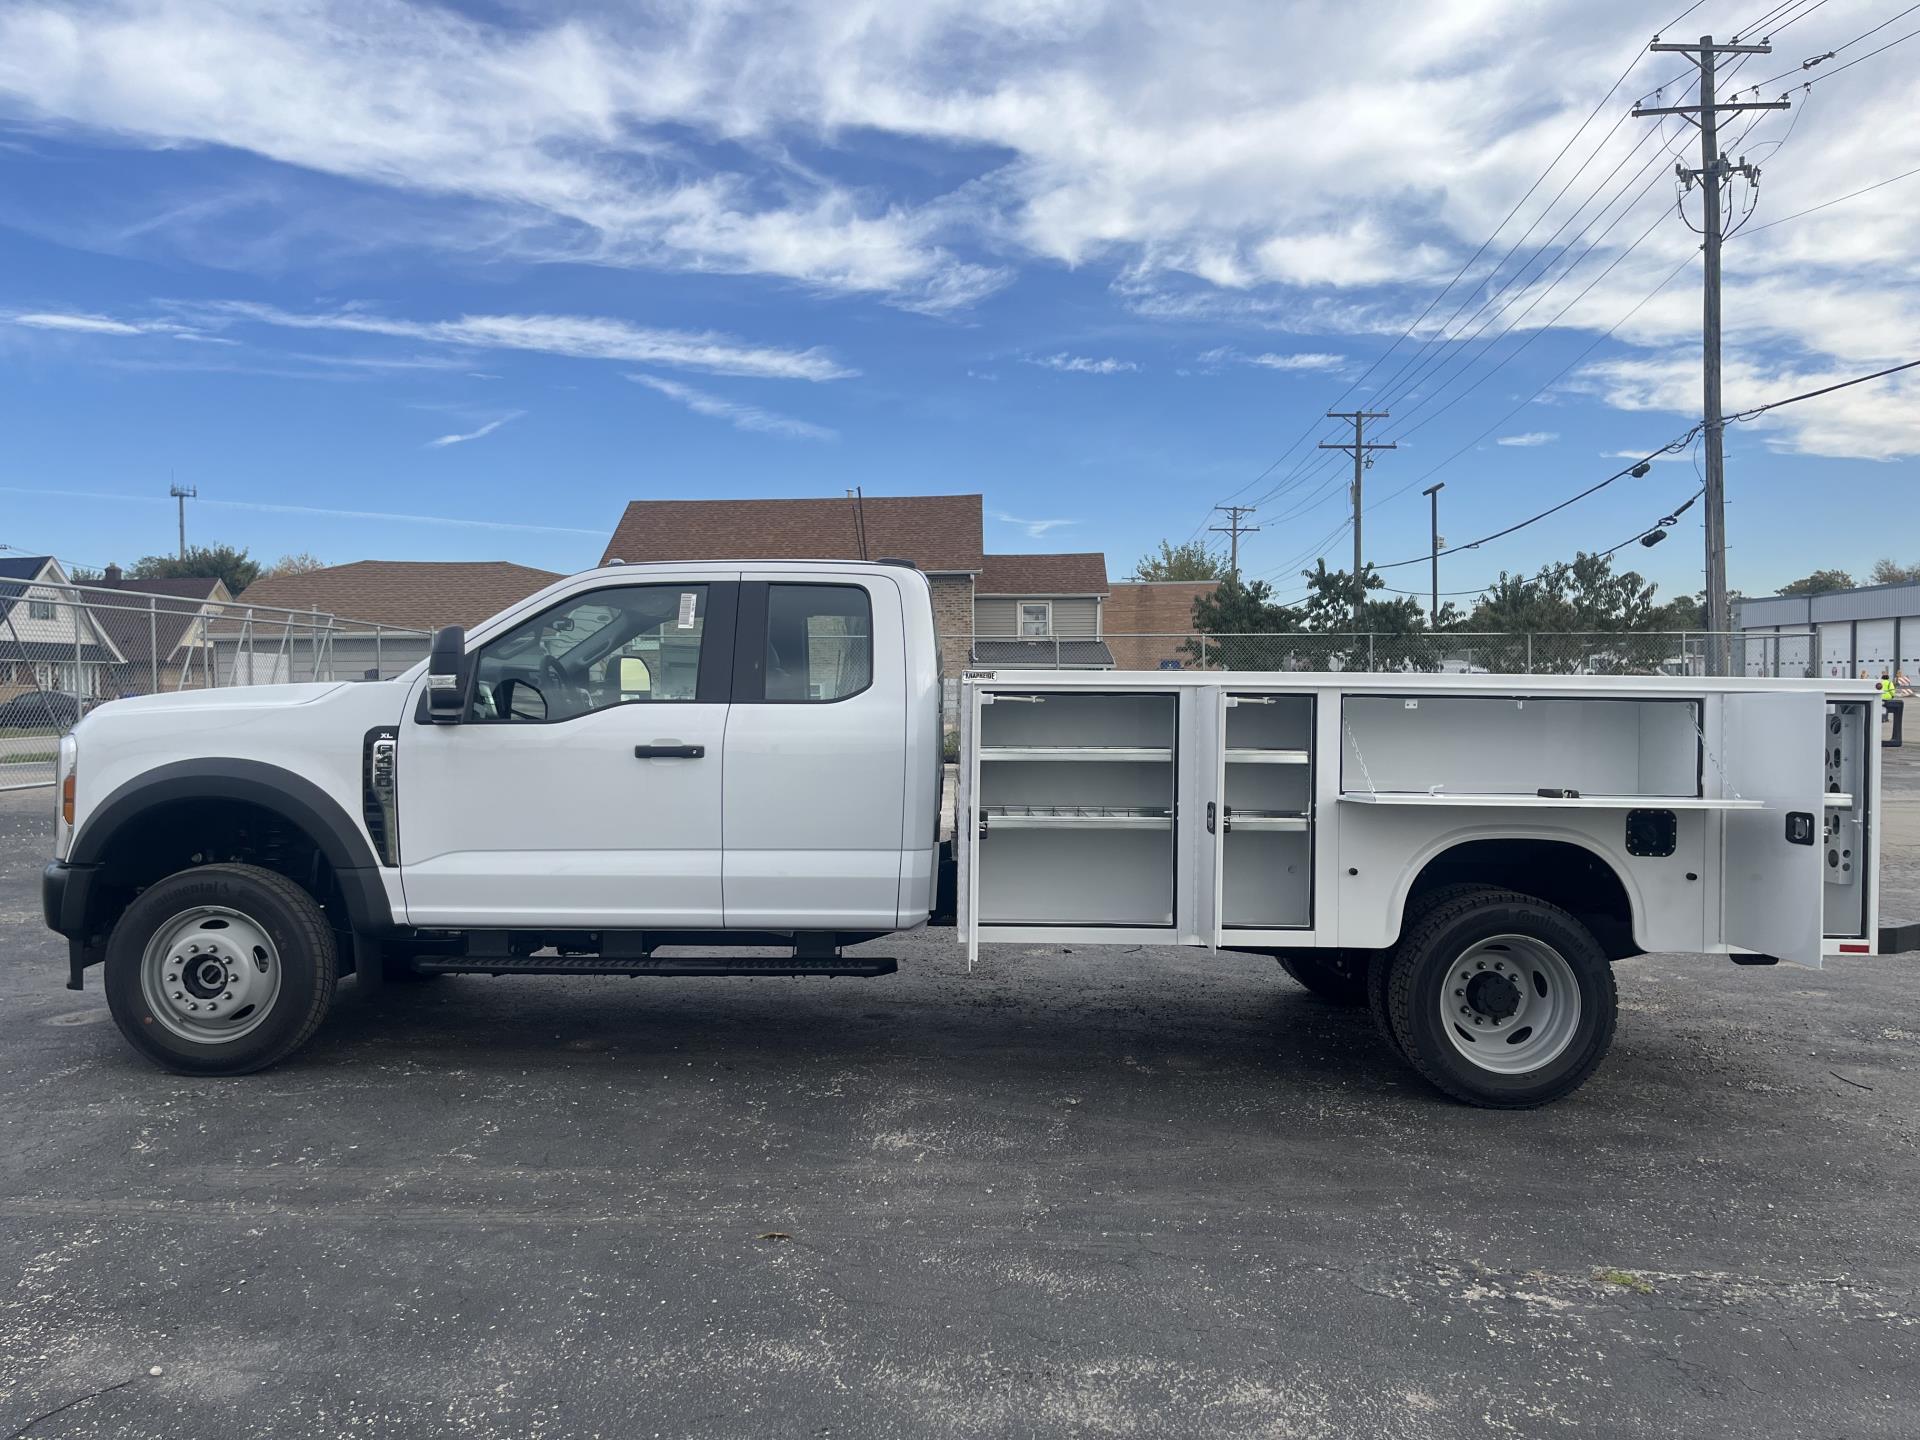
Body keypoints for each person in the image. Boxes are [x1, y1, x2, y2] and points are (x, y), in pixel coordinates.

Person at [1882, 669, 1905, 747]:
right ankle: (1885, 718)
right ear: (1888, 678)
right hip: (1887, 698)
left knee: (1882, 709)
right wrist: (1892, 695)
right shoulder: (1889, 683)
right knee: (1888, 709)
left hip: (1880, 698)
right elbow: (1892, 691)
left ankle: (1882, 717)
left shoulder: (1880, 682)